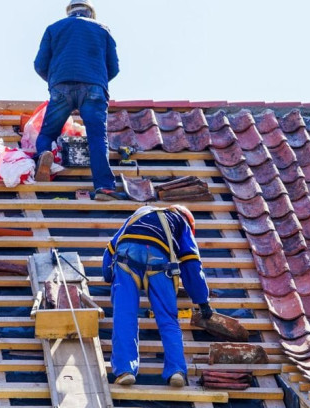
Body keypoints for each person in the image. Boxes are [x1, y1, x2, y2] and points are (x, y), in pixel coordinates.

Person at [103, 205, 214, 387]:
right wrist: (203, 301)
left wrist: (109, 276)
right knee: (169, 320)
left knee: (124, 316)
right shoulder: (181, 223)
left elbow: (110, 249)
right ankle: (177, 371)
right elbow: (191, 264)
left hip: (124, 258)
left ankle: (125, 371)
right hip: (159, 262)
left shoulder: (138, 214)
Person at [33, 0, 126, 201]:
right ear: (90, 12)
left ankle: (43, 158)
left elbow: (40, 64)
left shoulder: (54, 29)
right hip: (94, 88)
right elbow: (114, 67)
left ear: (69, 12)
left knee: (48, 133)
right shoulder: (102, 29)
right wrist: (96, 82)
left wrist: (56, 82)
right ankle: (104, 188)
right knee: (97, 138)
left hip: (61, 87)